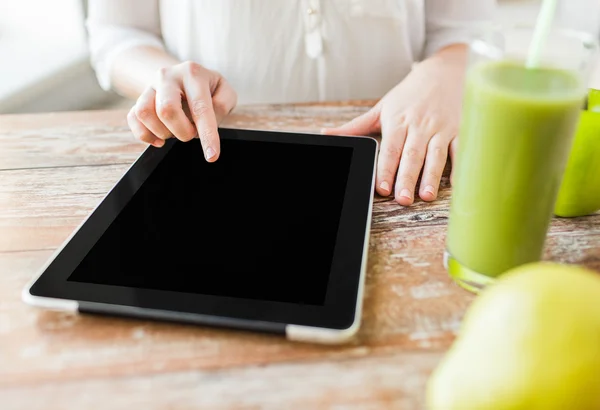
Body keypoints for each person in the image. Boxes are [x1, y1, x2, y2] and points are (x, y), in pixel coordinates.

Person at [87, 0, 494, 206]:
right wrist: (164, 80)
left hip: (394, 154)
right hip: (215, 165)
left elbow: (469, 31)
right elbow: (117, 33)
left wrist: (447, 70)